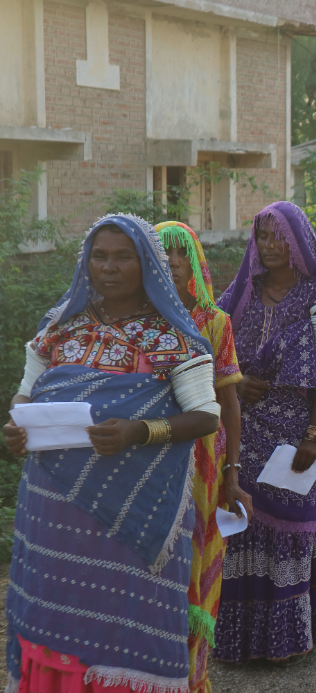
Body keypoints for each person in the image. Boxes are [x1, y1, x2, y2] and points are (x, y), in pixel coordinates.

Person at [3, 214, 220, 693]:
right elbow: (25, 394)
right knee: (55, 616)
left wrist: (139, 431)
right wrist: (15, 425)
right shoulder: (61, 327)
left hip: (134, 519)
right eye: (99, 256)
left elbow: (207, 417)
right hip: (53, 513)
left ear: (147, 264)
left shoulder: (174, 338)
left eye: (124, 257)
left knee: (120, 619)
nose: (109, 267)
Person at [214, 201, 316, 664]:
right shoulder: (238, 294)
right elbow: (214, 350)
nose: (269, 246)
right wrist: (233, 380)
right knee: (240, 529)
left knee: (289, 529)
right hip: (240, 430)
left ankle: (286, 641)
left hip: (293, 432)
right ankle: (237, 640)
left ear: (298, 242)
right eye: (262, 237)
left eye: (279, 237)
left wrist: (315, 434)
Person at [156, 221, 250, 693]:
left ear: (194, 261)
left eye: (180, 253)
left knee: (198, 558)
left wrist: (233, 473)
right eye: (163, 252)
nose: (172, 261)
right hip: (151, 459)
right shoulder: (145, 321)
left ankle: (193, 675)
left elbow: (229, 403)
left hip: (204, 466)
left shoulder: (215, 322)